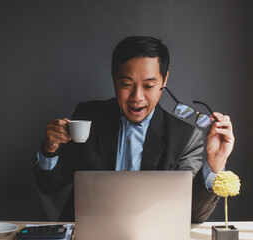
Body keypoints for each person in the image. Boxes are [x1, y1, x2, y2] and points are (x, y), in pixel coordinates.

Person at [34, 36, 235, 223]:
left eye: (148, 86)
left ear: (164, 81)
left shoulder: (185, 138)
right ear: (114, 78)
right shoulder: (88, 116)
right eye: (126, 84)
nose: (136, 97)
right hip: (88, 230)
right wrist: (49, 149)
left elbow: (193, 215)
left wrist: (215, 164)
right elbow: (49, 186)